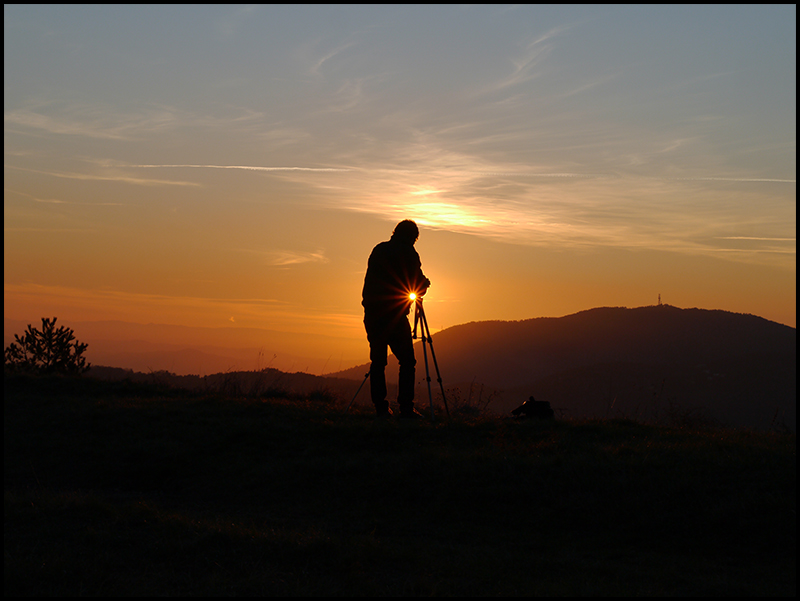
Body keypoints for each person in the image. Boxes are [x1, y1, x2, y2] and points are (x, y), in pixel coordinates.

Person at [362, 220, 430, 418]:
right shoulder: (409, 253)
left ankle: (381, 408)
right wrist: (425, 283)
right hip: (395, 316)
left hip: (373, 314)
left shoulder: (379, 250)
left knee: (378, 362)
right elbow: (418, 284)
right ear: (413, 237)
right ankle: (406, 408)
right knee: (407, 361)